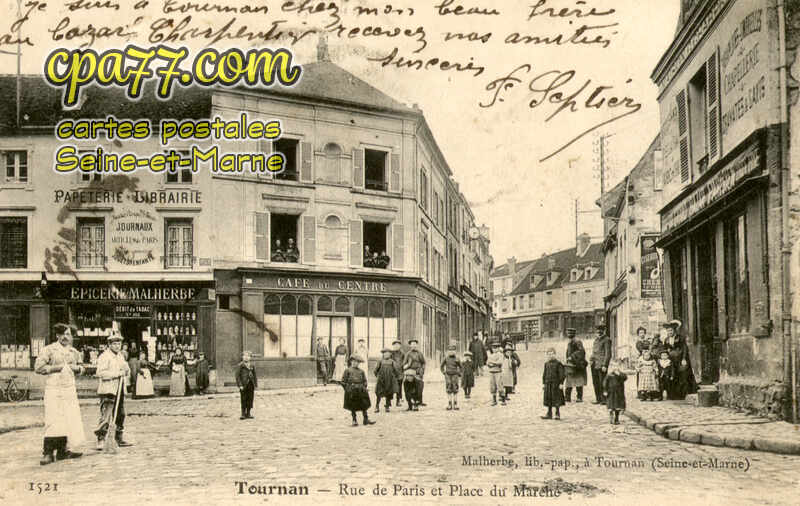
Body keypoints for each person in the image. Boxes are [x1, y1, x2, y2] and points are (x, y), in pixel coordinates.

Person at [34, 323, 85, 465]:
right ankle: (48, 452)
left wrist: (78, 368)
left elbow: (82, 367)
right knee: (54, 419)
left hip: (69, 388)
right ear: (57, 335)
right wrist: (56, 368)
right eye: (62, 334)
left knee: (69, 418)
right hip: (54, 389)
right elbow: (38, 368)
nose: (65, 337)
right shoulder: (49, 350)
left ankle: (63, 449)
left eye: (68, 334)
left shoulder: (74, 352)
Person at [94, 331, 132, 450]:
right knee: (106, 414)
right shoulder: (105, 356)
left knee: (120, 414)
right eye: (115, 344)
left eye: (119, 343)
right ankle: (101, 438)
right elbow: (100, 373)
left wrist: (126, 370)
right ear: (109, 344)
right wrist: (116, 374)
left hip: (119, 388)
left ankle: (118, 438)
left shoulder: (120, 356)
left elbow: (125, 368)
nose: (117, 346)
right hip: (108, 389)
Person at [663, 319, 698, 400]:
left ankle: (683, 392)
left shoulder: (680, 338)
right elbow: (665, 350)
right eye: (668, 331)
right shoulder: (666, 340)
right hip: (672, 360)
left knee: (682, 374)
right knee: (673, 375)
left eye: (671, 330)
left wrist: (684, 359)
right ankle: (674, 394)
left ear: (674, 330)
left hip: (680, 359)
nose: (669, 332)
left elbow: (684, 348)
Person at [341, 356, 375, 426]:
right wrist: (348, 388)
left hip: (360, 389)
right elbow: (343, 381)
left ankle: (366, 419)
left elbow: (365, 381)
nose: (355, 363)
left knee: (364, 404)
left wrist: (363, 387)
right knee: (353, 405)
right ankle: (354, 420)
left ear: (359, 363)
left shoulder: (361, 371)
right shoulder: (347, 371)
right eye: (353, 361)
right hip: (352, 390)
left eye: (357, 362)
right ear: (351, 362)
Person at [541, 347, 566, 420]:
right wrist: (543, 383)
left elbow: (562, 374)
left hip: (556, 384)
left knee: (556, 399)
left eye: (552, 354)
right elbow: (544, 374)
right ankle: (549, 413)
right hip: (548, 383)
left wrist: (561, 383)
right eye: (549, 354)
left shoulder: (558, 364)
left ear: (555, 354)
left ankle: (557, 413)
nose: (550, 356)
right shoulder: (546, 364)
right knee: (548, 398)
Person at [589, 324, 611, 404]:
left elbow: (608, 354)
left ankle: (604, 399)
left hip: (601, 365)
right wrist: (591, 359)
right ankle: (598, 399)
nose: (598, 332)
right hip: (594, 365)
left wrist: (605, 365)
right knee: (596, 382)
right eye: (597, 331)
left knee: (603, 383)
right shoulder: (596, 340)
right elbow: (594, 352)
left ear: (603, 331)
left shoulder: (607, 340)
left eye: (600, 331)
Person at [564, 328, 587, 402]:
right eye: (568, 333)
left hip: (578, 364)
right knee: (569, 380)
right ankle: (567, 397)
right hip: (571, 364)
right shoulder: (570, 341)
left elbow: (581, 351)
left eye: (570, 333)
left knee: (579, 381)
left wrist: (572, 357)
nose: (569, 334)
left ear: (574, 334)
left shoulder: (577, 341)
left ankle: (579, 397)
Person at [374, 348, 398, 413]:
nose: (387, 354)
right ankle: (377, 406)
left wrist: (393, 378)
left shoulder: (392, 362)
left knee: (388, 393)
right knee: (378, 393)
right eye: (385, 353)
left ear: (390, 354)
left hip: (389, 380)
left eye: (388, 353)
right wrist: (378, 377)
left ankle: (387, 406)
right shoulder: (380, 361)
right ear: (383, 354)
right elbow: (375, 370)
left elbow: (396, 371)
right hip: (381, 380)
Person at [403, 338, 426, 406]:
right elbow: (404, 364)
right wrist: (408, 365)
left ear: (417, 345)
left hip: (418, 372)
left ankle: (417, 402)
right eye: (412, 344)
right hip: (410, 373)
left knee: (419, 387)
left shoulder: (420, 354)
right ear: (410, 346)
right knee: (408, 388)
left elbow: (423, 363)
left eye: (415, 344)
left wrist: (422, 370)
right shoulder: (408, 354)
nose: (414, 346)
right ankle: (410, 403)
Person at [603, 360, 627, 425]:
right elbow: (605, 383)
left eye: (617, 366)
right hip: (611, 393)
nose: (615, 367)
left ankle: (616, 418)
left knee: (617, 406)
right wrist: (605, 390)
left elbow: (625, 378)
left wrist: (619, 374)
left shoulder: (621, 374)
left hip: (619, 393)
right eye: (613, 366)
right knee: (611, 406)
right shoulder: (609, 375)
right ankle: (611, 415)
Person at [440, 344, 463, 411]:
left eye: (453, 350)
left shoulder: (457, 359)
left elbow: (461, 367)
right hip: (448, 375)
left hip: (455, 375)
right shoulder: (446, 358)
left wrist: (459, 373)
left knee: (455, 388)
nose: (451, 352)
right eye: (450, 350)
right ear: (447, 351)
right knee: (448, 388)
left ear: (455, 351)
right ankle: (449, 403)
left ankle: (455, 404)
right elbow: (441, 366)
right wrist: (444, 372)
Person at [236, 351, 257, 419]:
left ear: (250, 357)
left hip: (251, 384)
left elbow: (254, 375)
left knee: (250, 399)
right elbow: (237, 376)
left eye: (248, 356)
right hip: (243, 385)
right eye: (244, 356)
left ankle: (248, 413)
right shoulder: (240, 365)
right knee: (243, 399)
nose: (246, 357)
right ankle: (243, 413)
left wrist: (255, 384)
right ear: (242, 357)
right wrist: (240, 385)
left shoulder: (252, 365)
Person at [486, 341, 505, 406]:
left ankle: (503, 399)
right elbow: (487, 363)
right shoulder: (491, 355)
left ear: (498, 348)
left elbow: (500, 362)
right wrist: (492, 363)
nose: (494, 349)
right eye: (493, 348)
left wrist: (492, 363)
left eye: (496, 348)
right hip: (492, 372)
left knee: (499, 385)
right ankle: (494, 400)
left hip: (498, 372)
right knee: (492, 386)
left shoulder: (500, 354)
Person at [390, 340, 405, 406]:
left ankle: (398, 401)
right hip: (392, 373)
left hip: (400, 372)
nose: (396, 346)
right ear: (393, 346)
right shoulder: (390, 353)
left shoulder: (402, 354)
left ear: (400, 346)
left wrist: (403, 369)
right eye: (395, 345)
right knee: (390, 386)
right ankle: (389, 401)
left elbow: (404, 362)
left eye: (398, 345)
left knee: (399, 387)